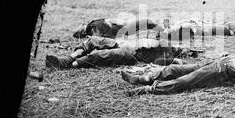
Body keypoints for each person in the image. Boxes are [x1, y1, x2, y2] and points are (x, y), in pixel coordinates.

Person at [121, 53, 235, 95]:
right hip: (213, 63)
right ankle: (142, 78)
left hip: (217, 72)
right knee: (175, 69)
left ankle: (149, 89)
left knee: (184, 81)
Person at [45, 36, 184, 69]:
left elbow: (169, 64)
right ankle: (68, 58)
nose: (177, 45)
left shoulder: (168, 55)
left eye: (179, 47)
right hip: (123, 43)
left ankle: (69, 65)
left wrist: (176, 59)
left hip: (130, 54)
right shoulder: (161, 38)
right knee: (93, 40)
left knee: (101, 55)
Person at [73, 17, 163, 39]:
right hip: (122, 31)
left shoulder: (93, 25)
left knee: (146, 23)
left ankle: (164, 31)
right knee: (146, 22)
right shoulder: (93, 29)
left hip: (121, 28)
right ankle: (165, 32)